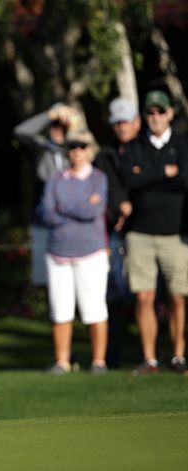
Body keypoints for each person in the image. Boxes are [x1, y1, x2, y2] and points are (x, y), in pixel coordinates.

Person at [120, 90, 188, 375]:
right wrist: (165, 173)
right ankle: (149, 359)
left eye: (160, 112)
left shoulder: (183, 145)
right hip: (140, 234)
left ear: (170, 113)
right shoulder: (135, 146)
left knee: (177, 296)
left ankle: (178, 356)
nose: (155, 117)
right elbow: (130, 178)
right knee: (144, 297)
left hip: (176, 233)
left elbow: (184, 178)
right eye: (150, 112)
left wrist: (149, 175)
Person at [40, 128, 109, 374]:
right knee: (61, 309)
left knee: (94, 308)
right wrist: (78, 206)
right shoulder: (56, 178)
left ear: (89, 150)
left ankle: (99, 361)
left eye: (82, 147)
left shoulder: (98, 178)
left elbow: (92, 211)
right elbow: (46, 211)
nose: (77, 152)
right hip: (58, 251)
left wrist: (64, 206)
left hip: (91, 251)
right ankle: (62, 361)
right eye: (73, 147)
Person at [93, 97, 141, 367]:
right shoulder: (104, 156)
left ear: (136, 123)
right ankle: (112, 353)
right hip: (113, 232)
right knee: (115, 293)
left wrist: (133, 205)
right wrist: (115, 214)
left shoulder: (146, 149)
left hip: (146, 227)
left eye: (126, 122)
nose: (122, 127)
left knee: (149, 294)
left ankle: (155, 352)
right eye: (117, 123)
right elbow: (100, 193)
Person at [14, 103, 80, 287]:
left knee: (75, 272)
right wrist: (50, 115)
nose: (59, 130)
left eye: (63, 127)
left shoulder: (78, 150)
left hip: (73, 221)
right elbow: (21, 132)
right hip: (45, 219)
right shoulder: (41, 147)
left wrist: (75, 122)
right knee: (45, 276)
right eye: (55, 126)